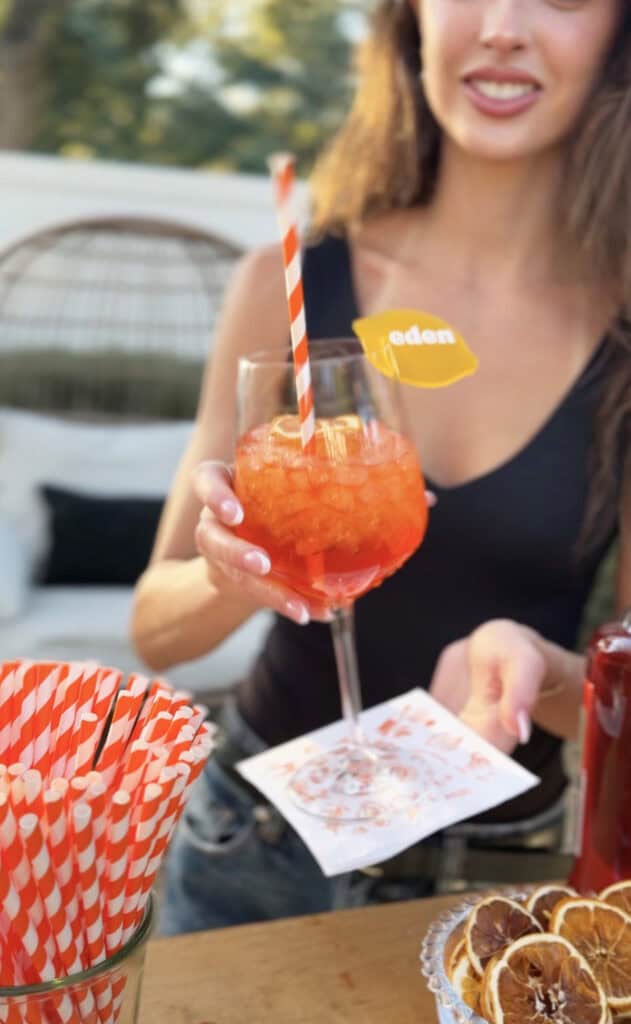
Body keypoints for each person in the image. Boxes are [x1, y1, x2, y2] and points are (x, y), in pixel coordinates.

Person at [132, 0, 631, 934]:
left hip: (488, 879)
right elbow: (156, 633)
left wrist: (541, 675)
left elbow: (626, 702)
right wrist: (235, 569)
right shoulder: (284, 284)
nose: (501, 26)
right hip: (254, 849)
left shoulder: (623, 332)